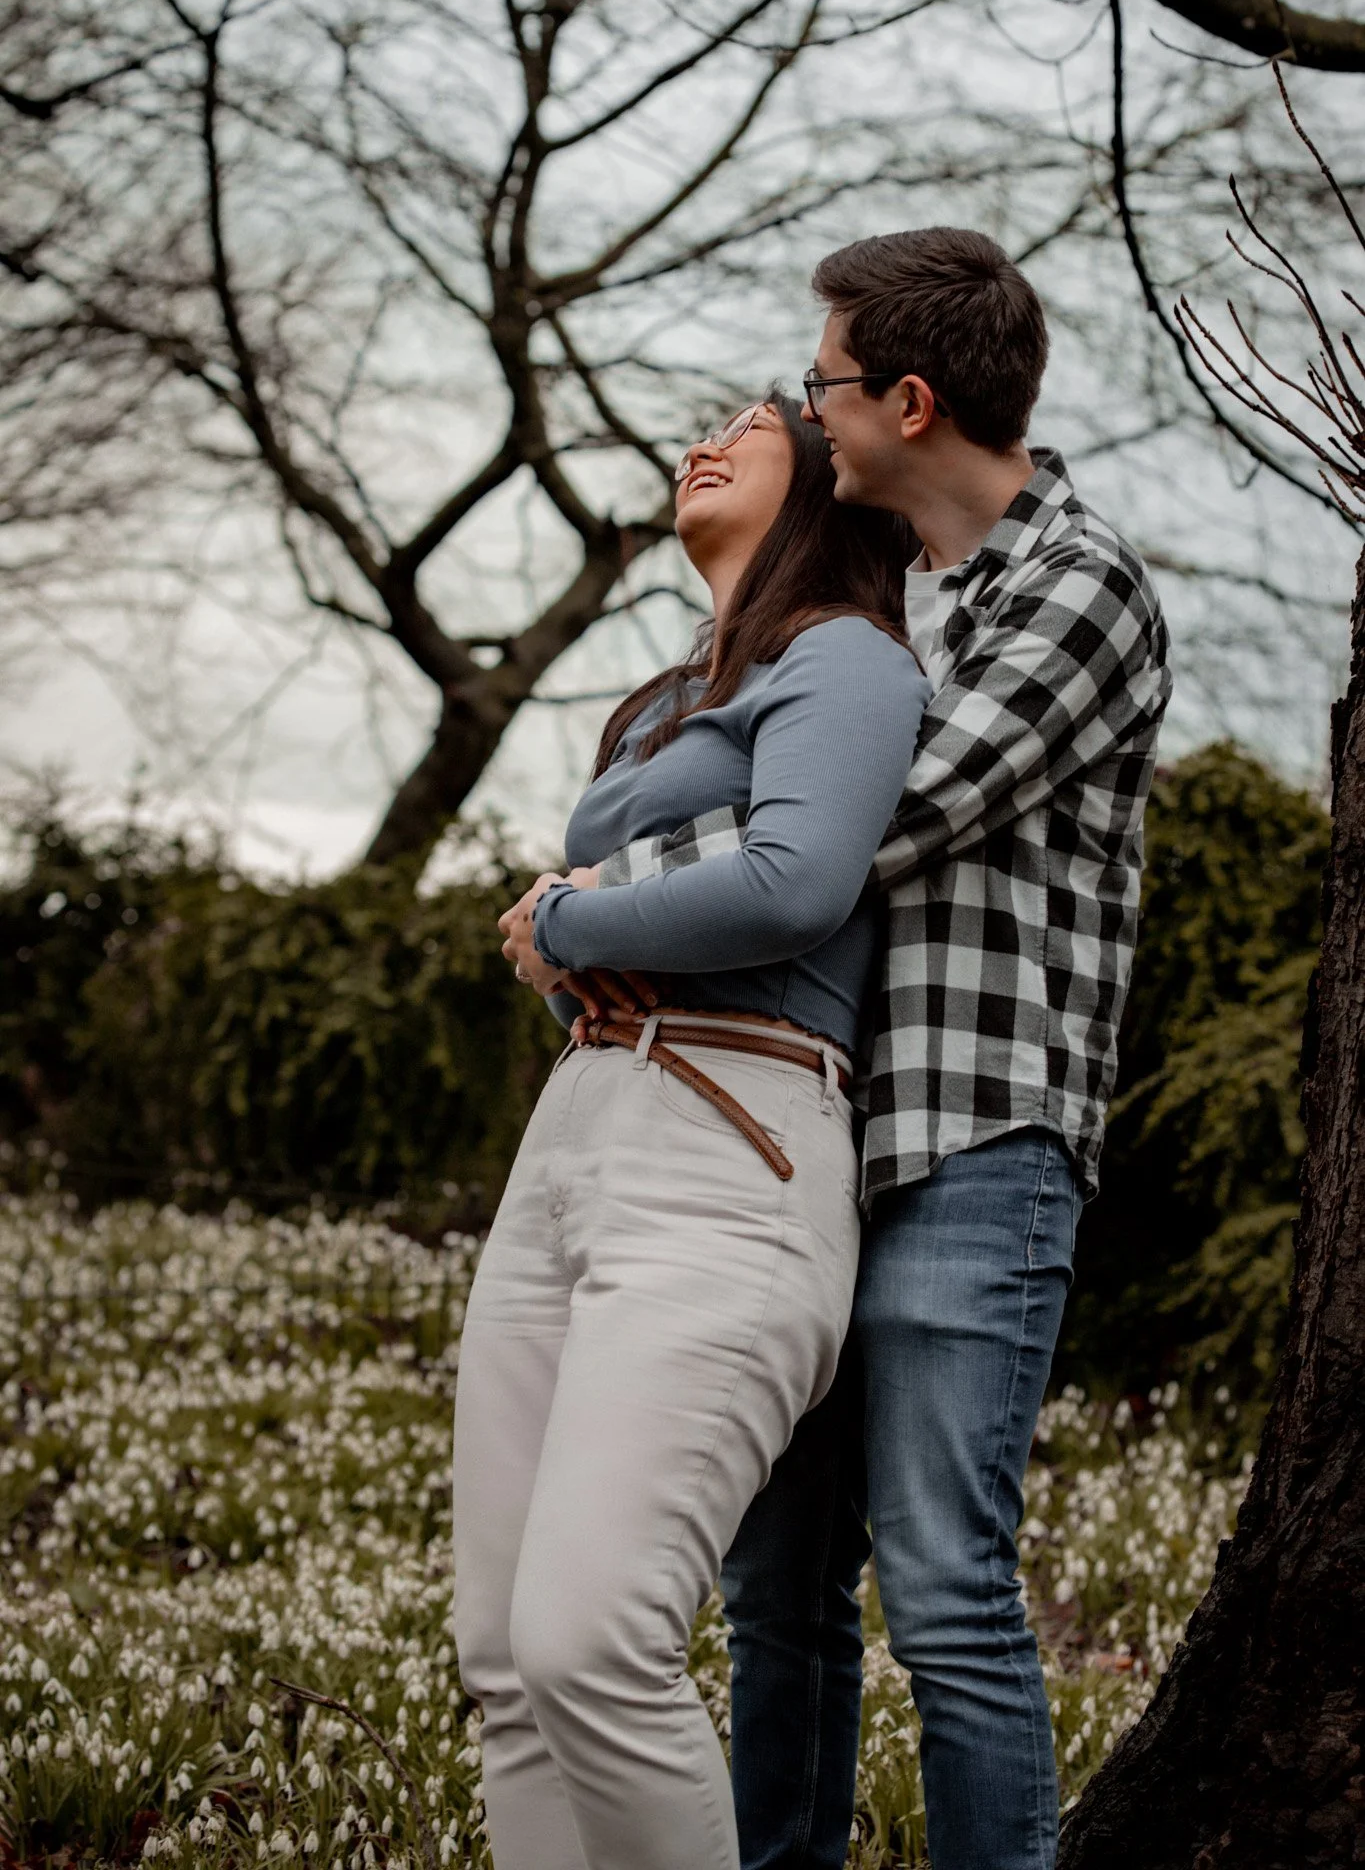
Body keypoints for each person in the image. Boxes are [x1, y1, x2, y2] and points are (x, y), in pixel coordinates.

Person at [558, 228, 1172, 1870]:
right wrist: (629, 912)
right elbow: (755, 811)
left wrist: (587, 908)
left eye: (826, 383)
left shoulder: (1079, 584)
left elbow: (860, 828)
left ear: (910, 397)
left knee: (946, 1589)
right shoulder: (886, 596)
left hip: (975, 1144)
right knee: (779, 1594)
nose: (808, 412)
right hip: (811, 1142)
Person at [452, 389, 932, 1870]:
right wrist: (569, 955)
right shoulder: (661, 703)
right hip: (584, 1121)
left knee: (591, 1640)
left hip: (735, 1149)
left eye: (753, 422)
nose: (703, 440)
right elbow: (603, 960)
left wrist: (576, 910)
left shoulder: (847, 660)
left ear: (823, 483)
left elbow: (794, 884)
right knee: (506, 1658)